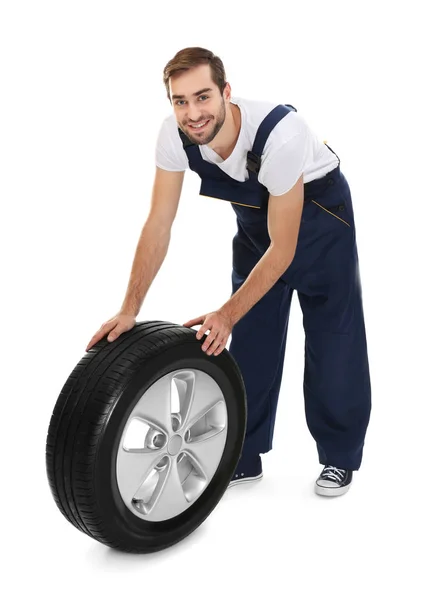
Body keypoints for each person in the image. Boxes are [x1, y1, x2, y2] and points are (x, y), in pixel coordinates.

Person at [86, 47, 371, 497]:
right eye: (180, 101)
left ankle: (338, 456)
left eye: (202, 97)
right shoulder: (174, 136)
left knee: (333, 338)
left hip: (320, 219)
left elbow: (285, 249)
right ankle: (244, 452)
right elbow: (159, 223)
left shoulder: (281, 135)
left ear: (226, 93)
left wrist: (225, 311)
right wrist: (129, 309)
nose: (192, 113)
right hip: (258, 224)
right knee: (248, 340)